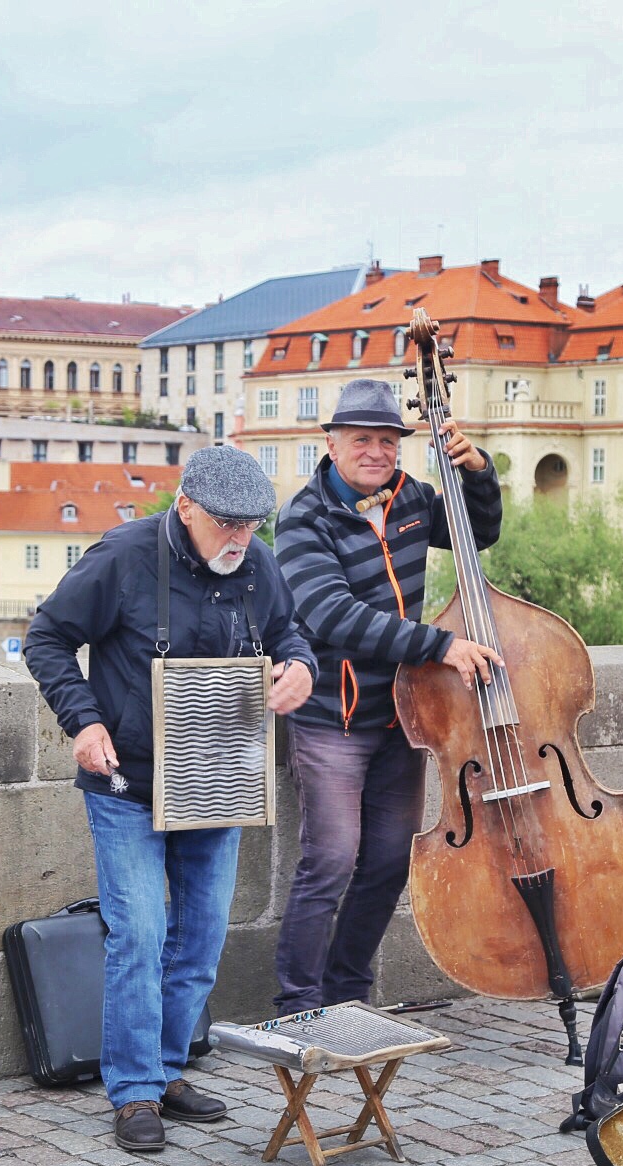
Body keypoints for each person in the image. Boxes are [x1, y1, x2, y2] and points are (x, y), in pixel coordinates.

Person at [25, 445, 317, 1153]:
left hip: (215, 779)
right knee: (141, 935)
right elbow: (47, 637)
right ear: (183, 506)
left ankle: (165, 1070)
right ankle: (132, 1094)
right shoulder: (121, 556)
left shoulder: (258, 564)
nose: (241, 540)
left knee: (201, 938)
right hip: (126, 781)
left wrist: (301, 668)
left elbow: (290, 634)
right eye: (226, 524)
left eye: (252, 525)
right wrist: (84, 721)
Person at [270, 378, 503, 1013]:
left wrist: (476, 471)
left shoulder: (412, 498)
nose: (376, 452)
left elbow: (477, 534)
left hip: (404, 718)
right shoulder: (302, 516)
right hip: (331, 721)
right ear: (333, 443)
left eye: (388, 441)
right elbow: (330, 614)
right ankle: (298, 1001)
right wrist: (438, 645)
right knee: (332, 861)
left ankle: (349, 991)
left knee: (386, 865)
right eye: (362, 440)